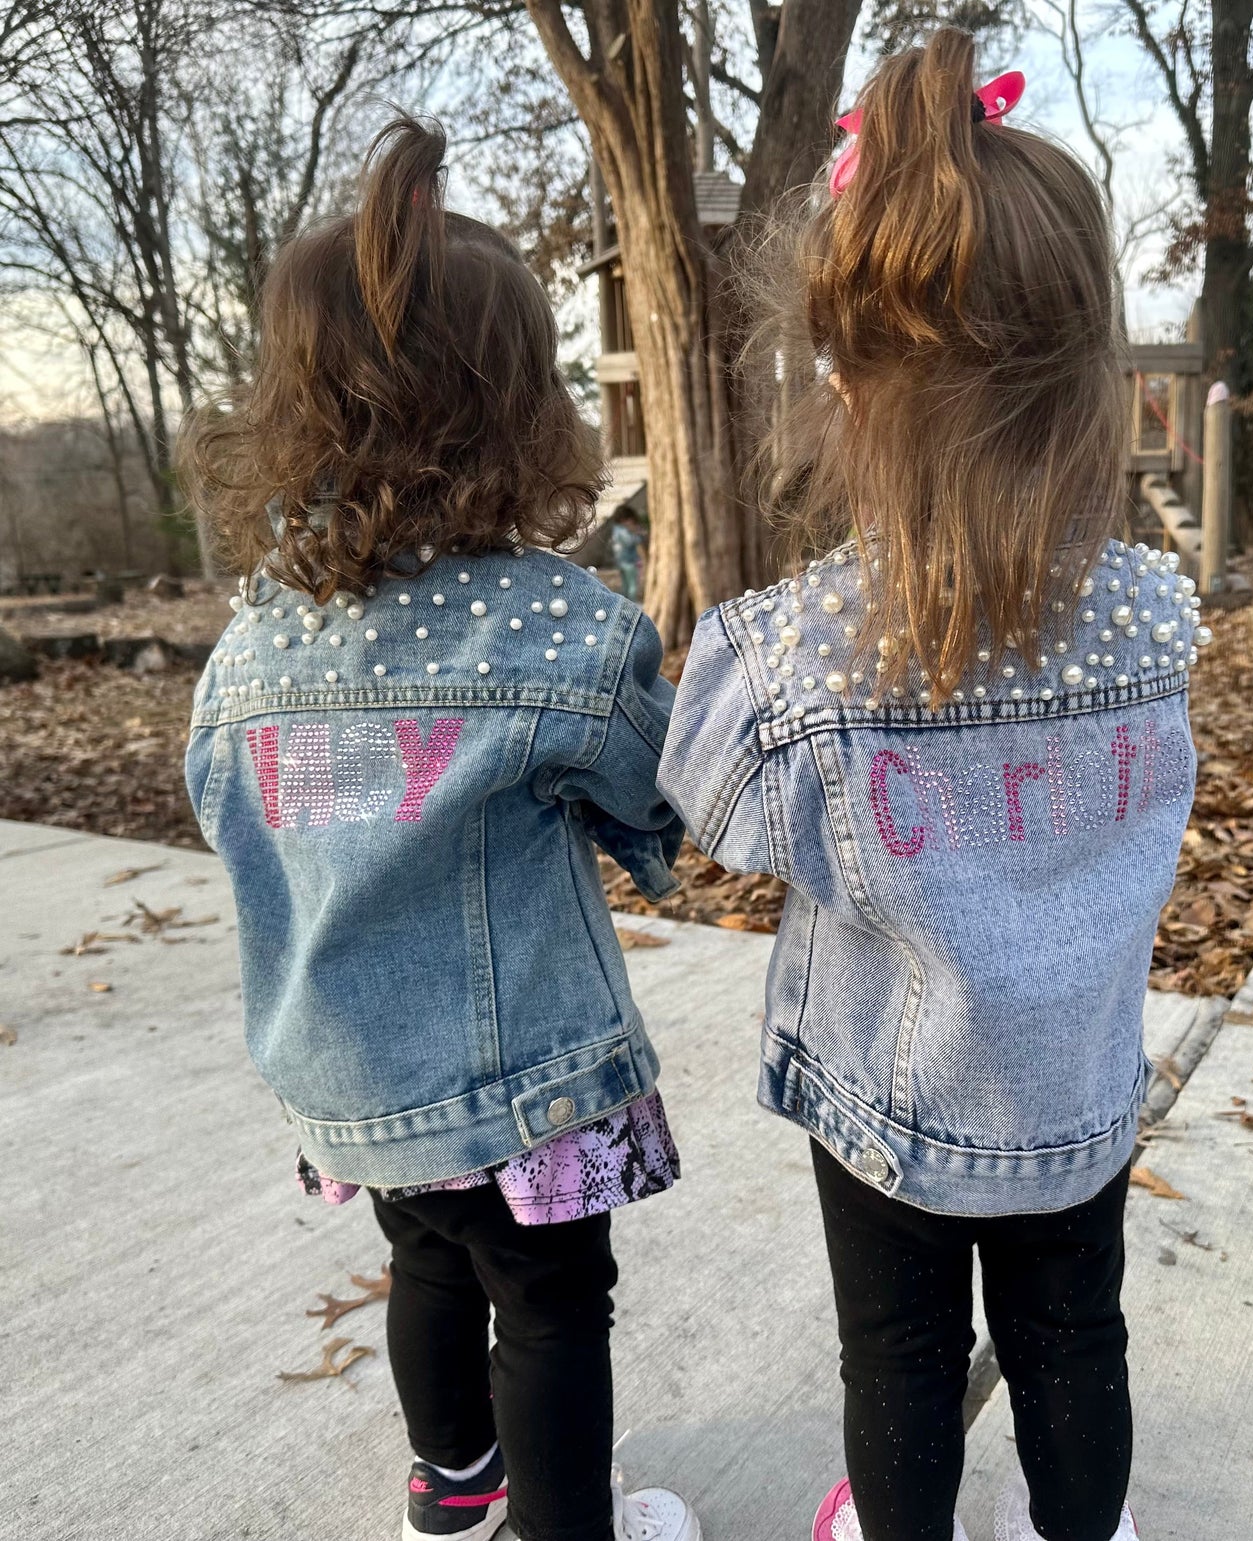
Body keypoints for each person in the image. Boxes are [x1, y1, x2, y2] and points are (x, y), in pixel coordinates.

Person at [659, 29, 1209, 1541]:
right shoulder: (1156, 617)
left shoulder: (798, 651)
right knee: (1071, 1339)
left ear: (842, 382)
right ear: (1091, 369)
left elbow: (711, 806)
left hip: (889, 1103)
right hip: (1076, 1083)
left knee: (898, 1354)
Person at [181, 115, 700, 1541]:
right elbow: (647, 806)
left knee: (423, 1258)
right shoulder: (560, 630)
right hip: (519, 1080)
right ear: (521, 408)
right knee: (546, 1301)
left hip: (353, 1068)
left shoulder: (255, 644)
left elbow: (223, 807)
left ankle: (452, 1483)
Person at [610, 509, 648, 602]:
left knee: (626, 585)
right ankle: (632, 604)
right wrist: (637, 534)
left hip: (620, 560)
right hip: (628, 561)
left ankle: (625, 604)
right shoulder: (622, 530)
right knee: (632, 585)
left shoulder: (616, 529)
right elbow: (629, 542)